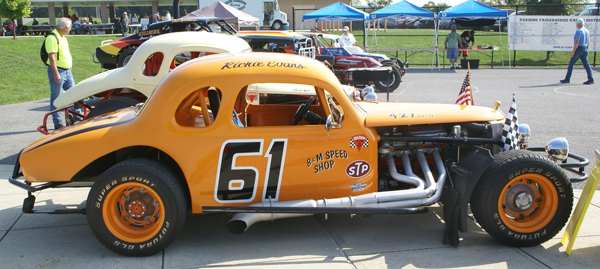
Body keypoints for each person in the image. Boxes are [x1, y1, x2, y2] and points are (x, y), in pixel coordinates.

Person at [45, 18, 73, 130]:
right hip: (58, 71)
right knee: (56, 97)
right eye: (70, 27)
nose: (70, 29)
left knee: (74, 94)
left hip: (67, 71)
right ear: (66, 28)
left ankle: (75, 118)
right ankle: (57, 122)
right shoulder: (52, 38)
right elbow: (51, 57)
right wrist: (56, 74)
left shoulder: (63, 37)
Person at [561, 18, 594, 85]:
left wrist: (573, 52)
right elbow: (588, 41)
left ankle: (567, 78)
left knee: (571, 64)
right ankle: (591, 79)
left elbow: (577, 42)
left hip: (579, 49)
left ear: (577, 24)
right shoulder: (586, 31)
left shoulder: (579, 31)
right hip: (584, 48)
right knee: (586, 65)